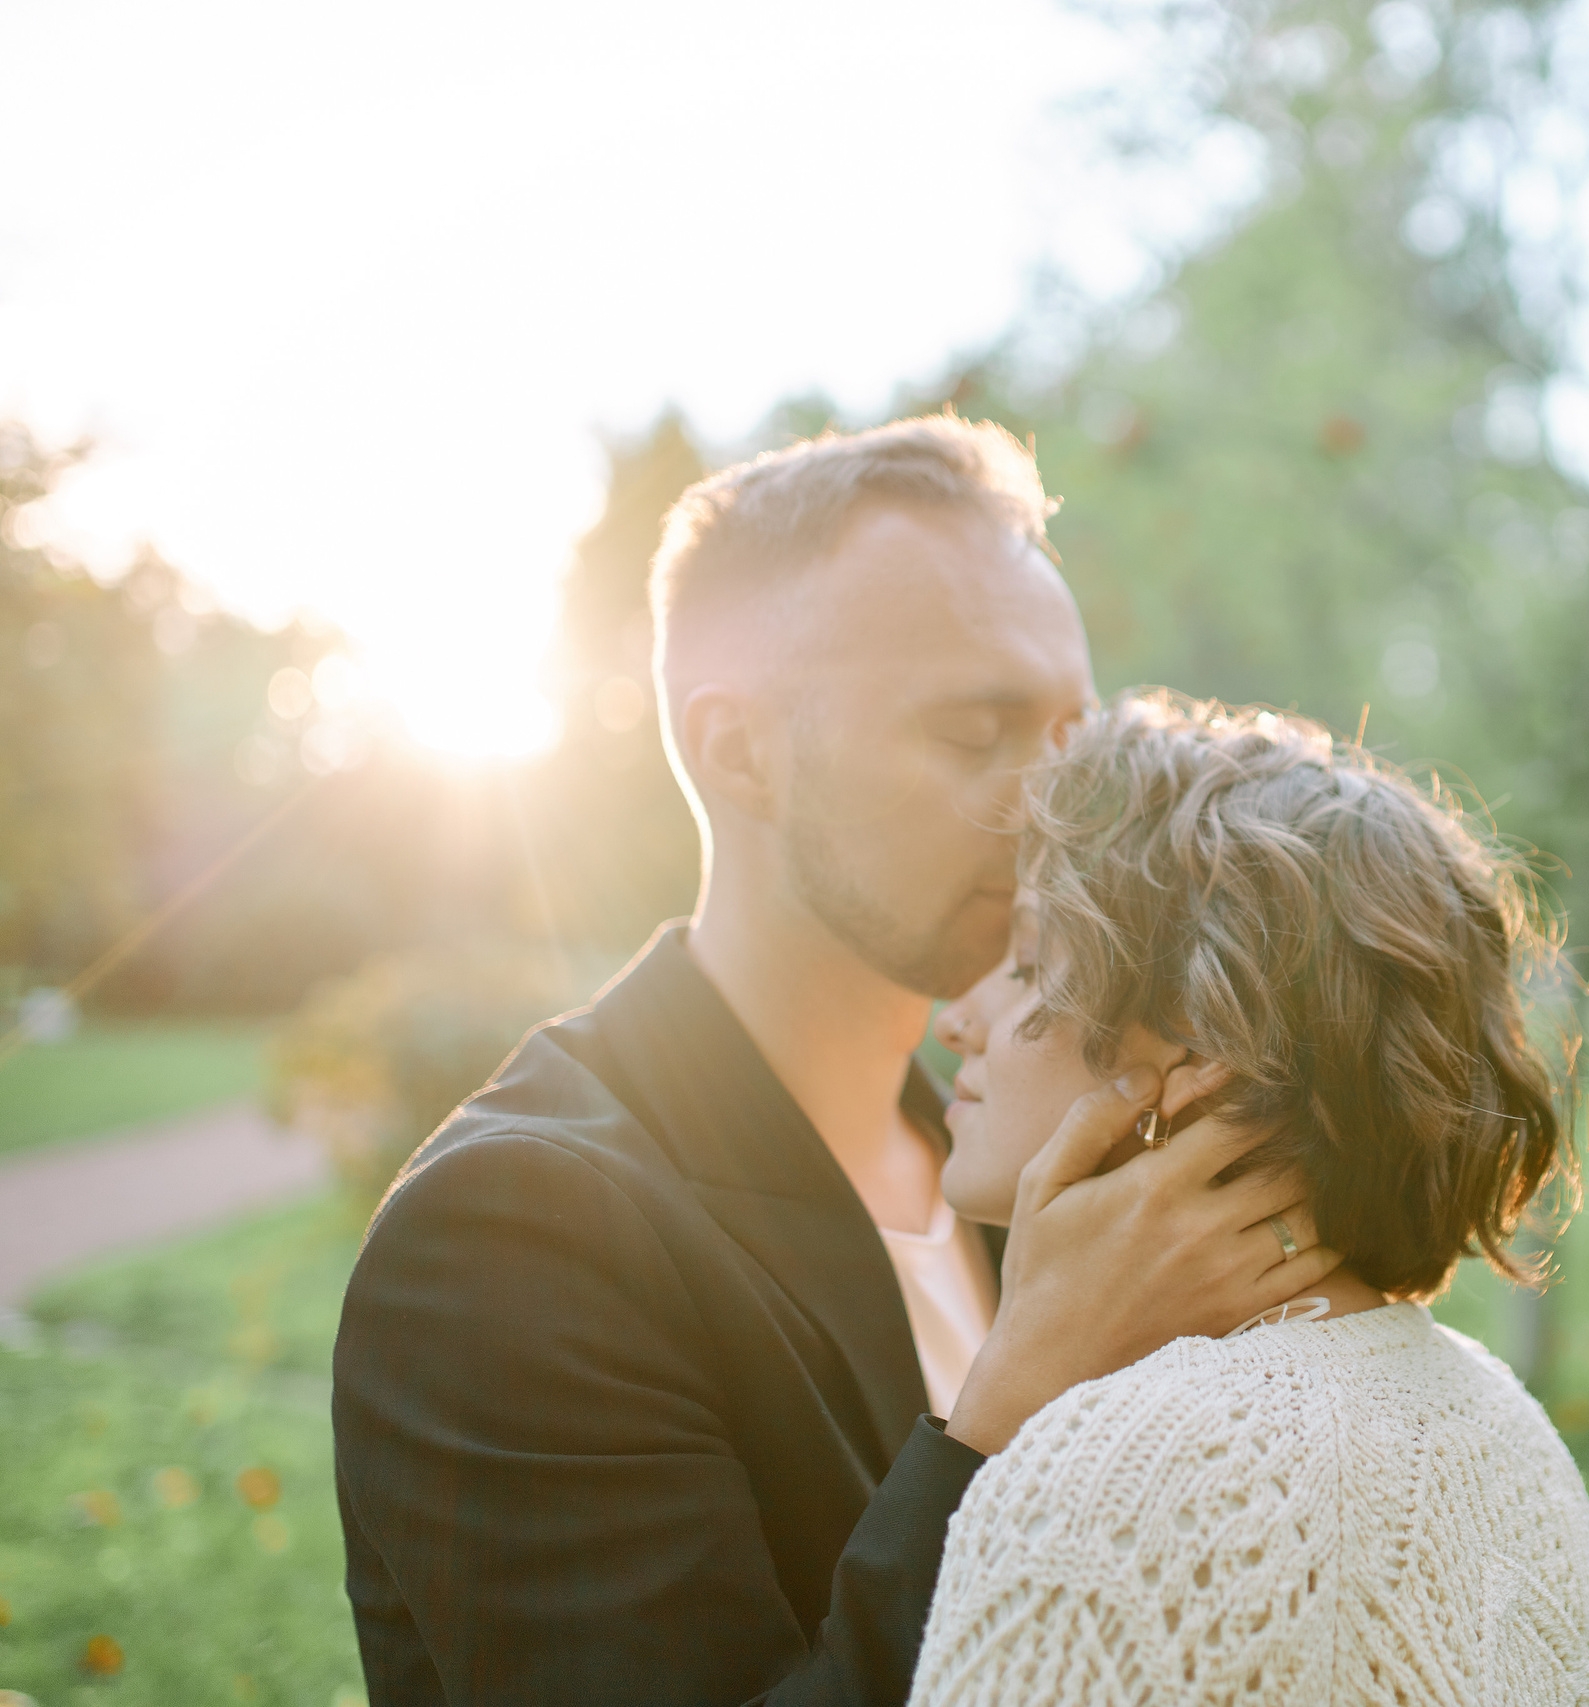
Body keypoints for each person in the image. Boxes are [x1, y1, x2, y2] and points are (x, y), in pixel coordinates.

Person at [331, 419, 1339, 1705]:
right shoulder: (509, 1238)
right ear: (739, 749)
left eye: (1069, 742)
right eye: (977, 734)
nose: (1055, 810)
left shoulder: (1039, 1163)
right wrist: (1017, 1399)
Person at [909, 691, 1589, 1706]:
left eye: (1031, 962)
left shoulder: (1108, 1487)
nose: (959, 1018)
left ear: (1203, 1055)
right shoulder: (1498, 1425)